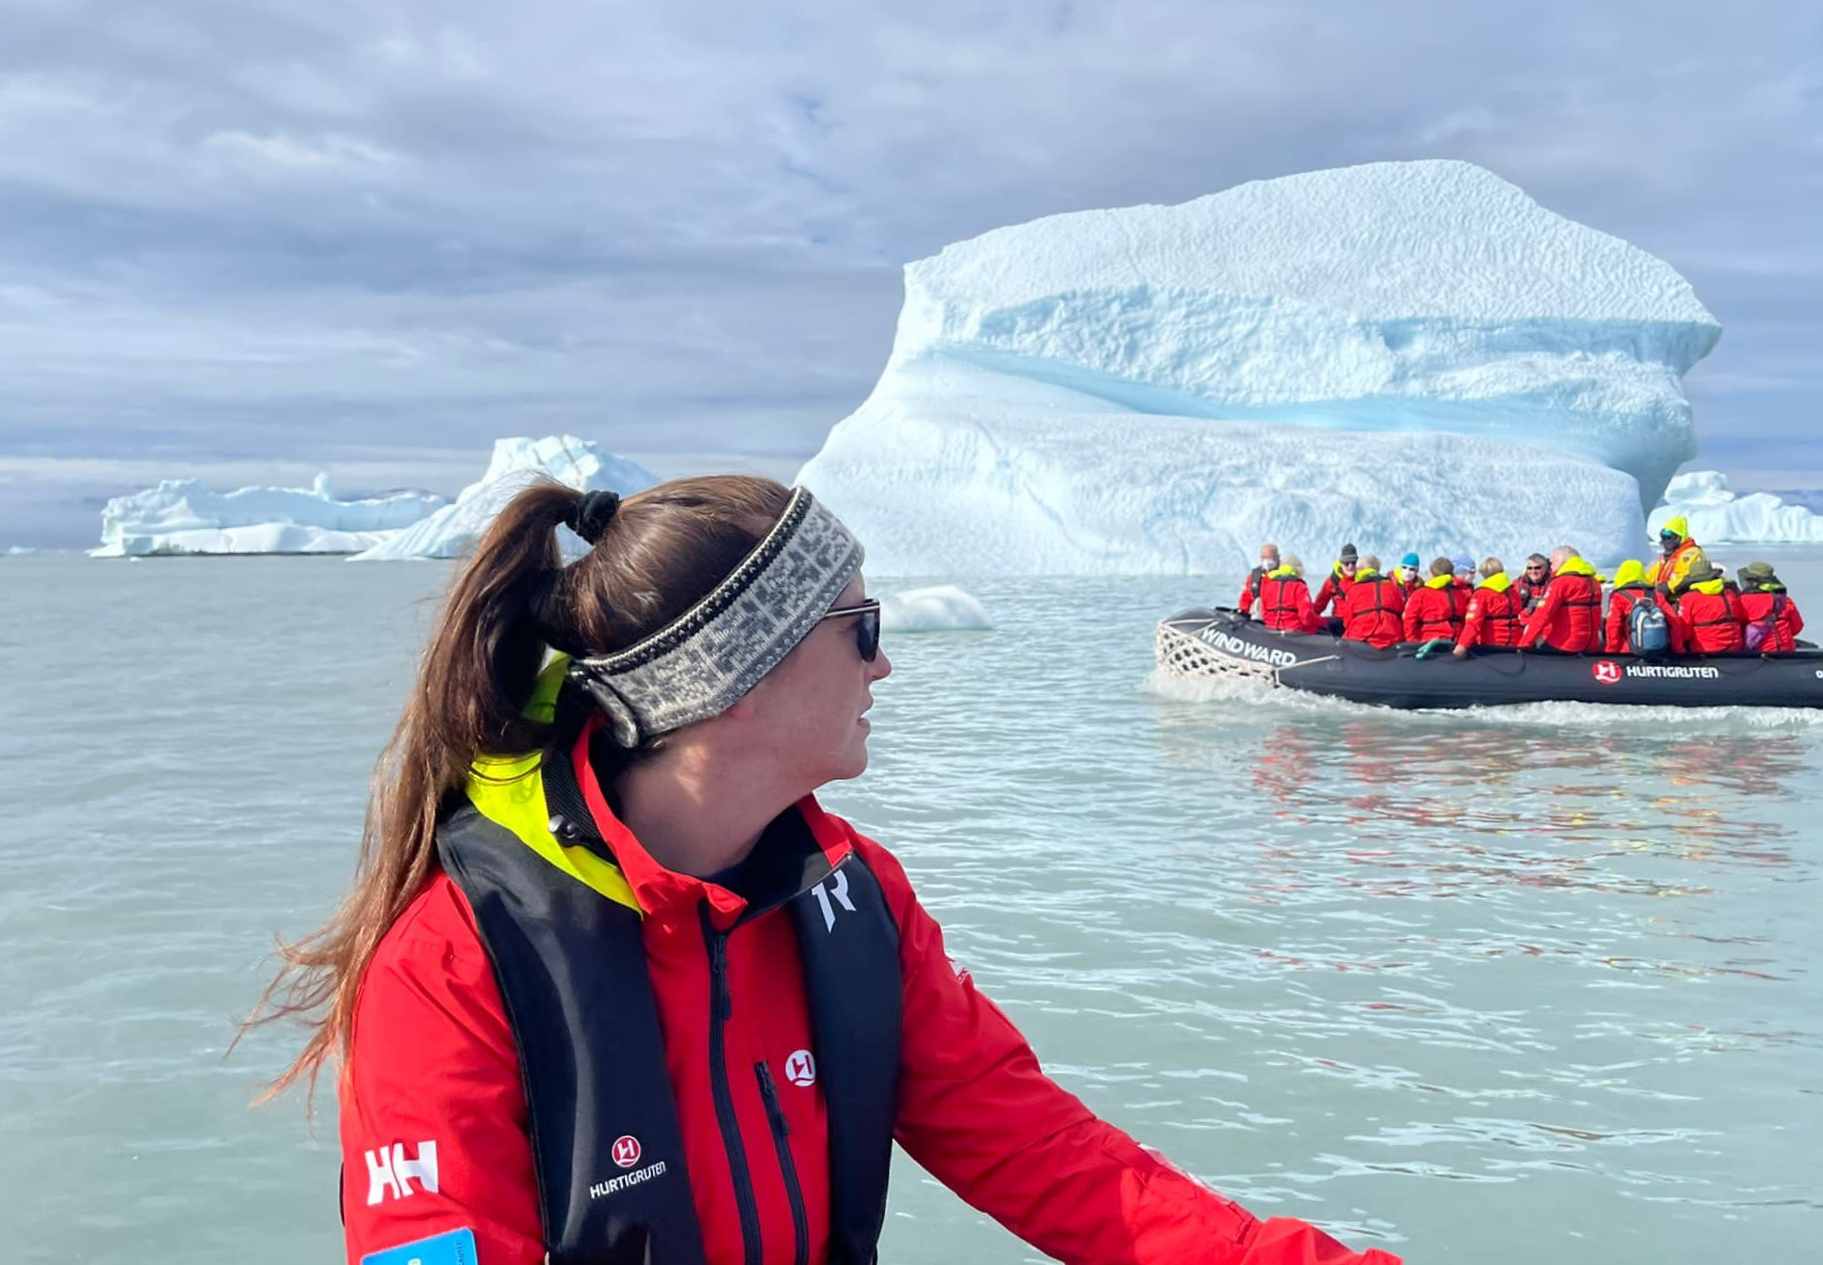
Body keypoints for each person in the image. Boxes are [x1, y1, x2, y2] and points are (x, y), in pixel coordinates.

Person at [249, 479, 1401, 1265]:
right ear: (732, 676)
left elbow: (1046, 1154)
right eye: (859, 623)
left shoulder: (854, 895)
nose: (885, 660)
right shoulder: (455, 963)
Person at [1516, 546, 1602, 654]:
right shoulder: (1594, 582)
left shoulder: (1560, 583)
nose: (1550, 565)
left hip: (1565, 645)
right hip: (1591, 645)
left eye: (1553, 561)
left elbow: (1542, 616)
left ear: (1563, 561)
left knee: (1537, 645)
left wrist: (1523, 646)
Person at [1670, 565, 1747, 654]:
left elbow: (1685, 633)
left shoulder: (1688, 598)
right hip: (1734, 647)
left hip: (1705, 651)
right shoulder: (1730, 594)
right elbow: (1740, 620)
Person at [1451, 558, 1519, 658]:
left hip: (1492, 646)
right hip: (1514, 645)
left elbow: (1473, 624)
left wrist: (1462, 646)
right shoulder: (1513, 592)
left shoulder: (1482, 594)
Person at [1736, 560, 1805, 653]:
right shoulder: (1785, 600)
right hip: (1787, 652)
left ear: (1753, 581)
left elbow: (1737, 629)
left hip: (1759, 654)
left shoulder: (1744, 601)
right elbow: (1797, 627)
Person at [1340, 553, 1406, 648]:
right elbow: (1401, 614)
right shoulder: (1394, 589)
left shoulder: (1353, 590)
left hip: (1360, 637)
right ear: (1377, 569)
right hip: (1392, 637)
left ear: (1359, 570)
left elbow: (1347, 621)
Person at [1401, 557, 1461, 643]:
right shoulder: (1460, 594)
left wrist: (1412, 641)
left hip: (1426, 641)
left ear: (1431, 573)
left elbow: (1409, 621)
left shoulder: (1419, 594)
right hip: (1452, 642)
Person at [1257, 554, 1320, 633]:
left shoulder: (1267, 585)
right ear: (1299, 570)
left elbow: (1264, 612)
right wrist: (1322, 622)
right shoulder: (1299, 586)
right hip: (1293, 633)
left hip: (1270, 630)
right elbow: (1306, 618)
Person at [1603, 559, 1655, 654]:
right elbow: (1673, 622)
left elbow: (1613, 625)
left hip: (1628, 651)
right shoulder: (1655, 594)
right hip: (1656, 650)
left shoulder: (1619, 596)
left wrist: (1611, 651)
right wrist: (1679, 651)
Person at [1652, 517, 1710, 596]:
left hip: (1680, 598)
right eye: (1663, 537)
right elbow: (1652, 575)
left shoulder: (1690, 554)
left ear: (1679, 538)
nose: (1665, 541)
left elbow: (1685, 579)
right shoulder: (1668, 557)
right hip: (1664, 598)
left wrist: (1667, 587)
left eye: (1669, 537)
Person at [1314, 544, 1360, 628]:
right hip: (1339, 622)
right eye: (1347, 563)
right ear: (1341, 564)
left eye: (1353, 562)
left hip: (1358, 622)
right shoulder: (1332, 581)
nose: (1350, 566)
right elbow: (1319, 605)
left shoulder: (1364, 581)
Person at [1238, 543, 1279, 615]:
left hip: (1278, 614)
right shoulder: (1254, 577)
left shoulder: (1286, 576)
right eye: (1263, 557)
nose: (1265, 561)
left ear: (1276, 557)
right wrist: (1243, 610)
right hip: (1259, 615)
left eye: (1268, 557)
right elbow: (1246, 596)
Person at [1512, 552, 1550, 619]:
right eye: (1529, 568)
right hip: (1524, 624)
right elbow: (1512, 613)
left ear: (1546, 568)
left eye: (1537, 568)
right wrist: (1528, 610)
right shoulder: (1517, 585)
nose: (1533, 571)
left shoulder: (1554, 584)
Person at [1448, 555, 1476, 625]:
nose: (1474, 576)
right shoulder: (1449, 589)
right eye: (1471, 572)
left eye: (1475, 572)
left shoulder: (1469, 589)